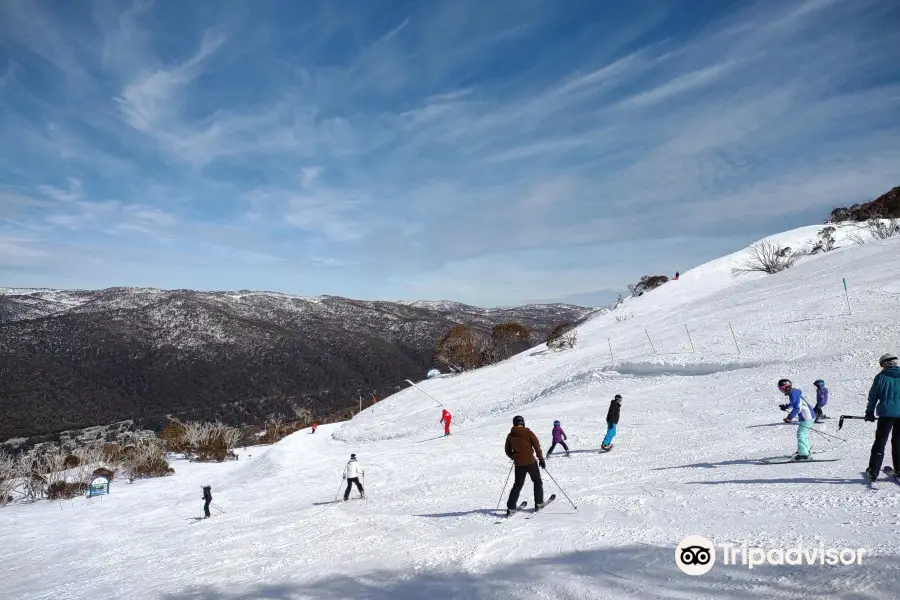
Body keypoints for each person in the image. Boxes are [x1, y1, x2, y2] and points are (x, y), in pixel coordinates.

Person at [865, 353, 900, 482]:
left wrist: (869, 412)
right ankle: (899, 469)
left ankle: (874, 471)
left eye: (881, 364)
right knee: (898, 442)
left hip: (886, 414)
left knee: (880, 441)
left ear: (886, 364)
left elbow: (873, 396)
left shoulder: (881, 377)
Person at [504, 415, 545, 516]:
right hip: (530, 462)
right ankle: (539, 503)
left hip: (519, 465)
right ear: (523, 423)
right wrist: (541, 458)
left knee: (517, 485)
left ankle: (511, 508)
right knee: (537, 481)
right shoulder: (528, 432)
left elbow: (507, 450)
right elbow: (536, 445)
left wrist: (514, 457)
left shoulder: (510, 435)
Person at [778, 379, 816, 460]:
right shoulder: (794, 392)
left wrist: (789, 417)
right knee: (803, 434)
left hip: (807, 417)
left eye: (781, 388)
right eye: (780, 389)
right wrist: (786, 406)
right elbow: (795, 403)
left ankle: (804, 454)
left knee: (801, 434)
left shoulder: (793, 394)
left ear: (787, 387)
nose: (781, 391)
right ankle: (805, 450)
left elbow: (797, 408)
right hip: (808, 416)